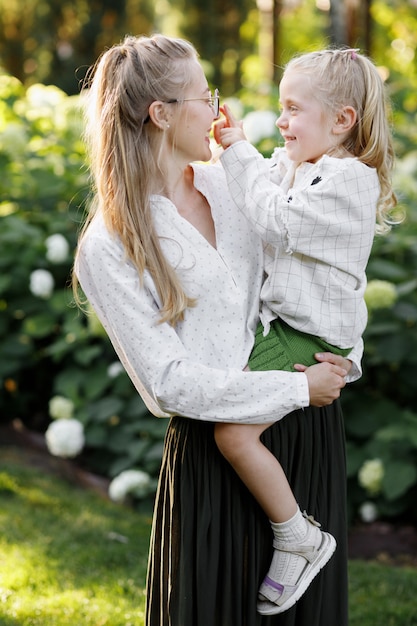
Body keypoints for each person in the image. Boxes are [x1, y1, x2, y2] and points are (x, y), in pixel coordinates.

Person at [73, 34, 362, 626]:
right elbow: (168, 383)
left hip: (305, 437)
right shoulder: (109, 244)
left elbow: (320, 270)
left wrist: (336, 356)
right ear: (161, 114)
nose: (215, 109)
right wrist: (295, 389)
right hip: (217, 454)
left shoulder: (235, 188)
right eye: (205, 97)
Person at [213, 47, 397, 616]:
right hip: (291, 329)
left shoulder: (349, 180)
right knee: (231, 413)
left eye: (293, 109)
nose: (283, 122)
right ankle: (290, 533)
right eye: (281, 108)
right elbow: (250, 186)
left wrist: (239, 152)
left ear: (342, 120)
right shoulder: (304, 165)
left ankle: (297, 536)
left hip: (305, 337)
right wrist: (228, 145)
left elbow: (276, 217)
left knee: (233, 433)